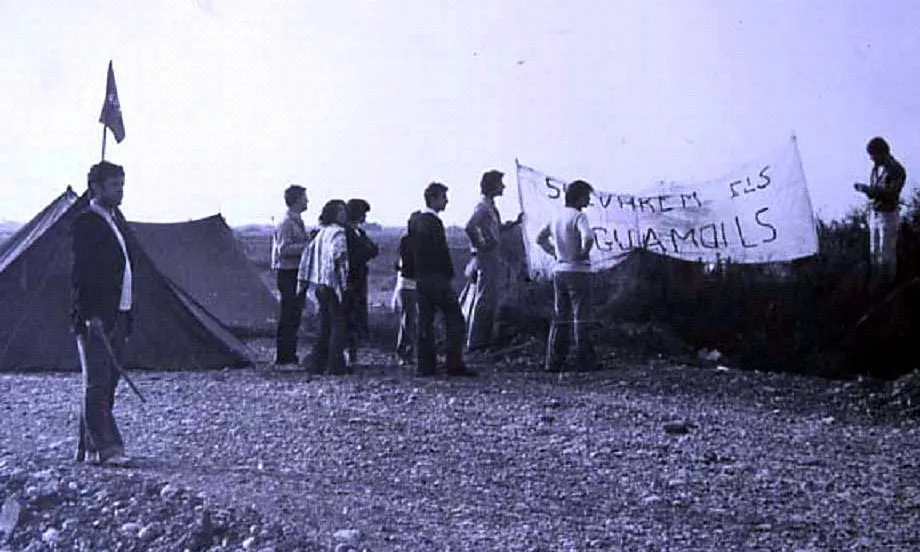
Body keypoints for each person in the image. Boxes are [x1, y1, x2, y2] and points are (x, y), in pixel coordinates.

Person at [71, 160, 135, 466]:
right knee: (97, 382)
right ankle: (108, 449)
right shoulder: (87, 222)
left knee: (106, 383)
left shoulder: (114, 220)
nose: (121, 190)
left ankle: (89, 448)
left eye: (122, 184)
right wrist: (90, 315)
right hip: (96, 317)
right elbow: (82, 275)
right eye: (114, 185)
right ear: (96, 188)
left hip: (119, 313)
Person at [407, 183, 476, 377]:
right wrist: (448, 276)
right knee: (455, 320)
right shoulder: (433, 223)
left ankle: (425, 365)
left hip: (421, 279)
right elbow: (440, 254)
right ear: (434, 198)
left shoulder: (417, 221)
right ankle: (454, 363)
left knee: (425, 322)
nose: (446, 201)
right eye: (443, 197)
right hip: (437, 278)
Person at [536, 180, 599, 373]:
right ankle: (585, 361)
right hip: (578, 272)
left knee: (560, 317)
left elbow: (540, 238)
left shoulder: (556, 216)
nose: (588, 200)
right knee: (581, 317)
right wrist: (582, 253)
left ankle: (553, 362)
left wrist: (554, 253)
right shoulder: (579, 216)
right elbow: (588, 237)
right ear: (579, 197)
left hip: (560, 270)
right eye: (587, 196)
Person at [462, 169, 523, 352]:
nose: (503, 187)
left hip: (490, 257)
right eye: (500, 183)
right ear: (492, 186)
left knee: (487, 298)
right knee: (484, 299)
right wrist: (482, 245)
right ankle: (476, 342)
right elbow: (470, 226)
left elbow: (495, 230)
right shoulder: (482, 207)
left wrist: (513, 224)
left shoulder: (489, 206)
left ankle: (481, 340)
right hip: (486, 258)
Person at [298, 200, 349, 375]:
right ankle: (335, 366)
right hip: (332, 284)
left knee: (325, 325)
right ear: (333, 214)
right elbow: (339, 257)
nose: (343, 214)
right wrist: (343, 282)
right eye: (340, 211)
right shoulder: (338, 233)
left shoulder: (321, 233)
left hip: (319, 283)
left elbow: (308, 254)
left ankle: (318, 363)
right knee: (338, 325)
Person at [854, 136, 907, 287]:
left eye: (873, 155)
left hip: (888, 214)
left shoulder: (896, 169)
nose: (871, 159)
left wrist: (869, 190)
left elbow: (891, 192)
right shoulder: (877, 168)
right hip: (876, 212)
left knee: (886, 253)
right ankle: (876, 285)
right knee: (874, 252)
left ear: (881, 153)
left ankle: (888, 286)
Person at [271, 184, 310, 366]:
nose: (307, 201)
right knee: (288, 314)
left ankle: (289, 354)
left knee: (294, 315)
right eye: (304, 197)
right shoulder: (286, 223)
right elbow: (284, 249)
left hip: (294, 272)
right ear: (296, 200)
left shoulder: (296, 221)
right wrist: (308, 248)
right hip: (288, 273)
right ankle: (284, 356)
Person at [343, 199, 379, 366]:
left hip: (359, 279)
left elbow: (372, 250)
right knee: (349, 316)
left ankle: (352, 354)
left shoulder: (358, 232)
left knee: (355, 316)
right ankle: (347, 354)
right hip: (350, 280)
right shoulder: (347, 233)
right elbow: (363, 252)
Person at [391, 228, 417, 365]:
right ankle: (405, 352)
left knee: (407, 320)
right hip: (409, 287)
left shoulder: (404, 247)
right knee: (409, 321)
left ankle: (405, 352)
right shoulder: (411, 245)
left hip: (405, 286)